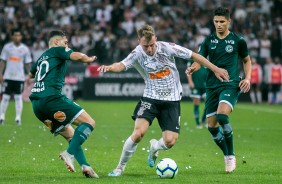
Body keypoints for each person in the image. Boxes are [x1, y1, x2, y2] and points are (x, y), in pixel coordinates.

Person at [97, 24, 229, 177]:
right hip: (150, 97)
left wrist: (215, 68)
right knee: (139, 133)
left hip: (171, 100)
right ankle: (119, 167)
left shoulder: (167, 48)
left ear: (156, 39)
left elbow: (195, 55)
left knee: (170, 141)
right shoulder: (137, 52)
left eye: (152, 44)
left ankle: (154, 148)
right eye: (146, 46)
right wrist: (109, 68)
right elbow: (121, 65)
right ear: (139, 41)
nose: (150, 49)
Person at [187, 7, 252, 173]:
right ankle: (226, 154)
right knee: (212, 127)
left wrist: (247, 78)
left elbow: (246, 60)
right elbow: (199, 59)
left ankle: (231, 156)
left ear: (229, 21)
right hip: (212, 86)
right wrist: (193, 68)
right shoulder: (208, 40)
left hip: (230, 84)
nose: (219, 24)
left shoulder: (238, 40)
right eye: (216, 21)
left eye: (222, 21)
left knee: (222, 116)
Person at [27, 30, 99, 178]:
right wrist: (88, 59)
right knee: (89, 122)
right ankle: (68, 153)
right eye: (65, 43)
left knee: (71, 136)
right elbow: (77, 56)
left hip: (37, 105)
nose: (67, 46)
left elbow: (30, 74)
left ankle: (86, 166)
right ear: (56, 42)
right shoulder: (58, 50)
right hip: (52, 98)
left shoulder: (41, 57)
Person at [0, 28, 32, 125]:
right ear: (12, 36)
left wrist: (30, 76)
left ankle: (18, 118)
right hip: (8, 76)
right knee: (5, 97)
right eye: (15, 35)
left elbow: (27, 64)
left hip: (19, 77)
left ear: (21, 37)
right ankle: (1, 117)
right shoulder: (7, 47)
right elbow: (3, 61)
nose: (17, 37)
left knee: (18, 97)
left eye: (19, 35)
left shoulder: (25, 49)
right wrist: (0, 74)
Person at [187, 61, 207, 129]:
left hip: (205, 85)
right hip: (196, 85)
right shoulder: (193, 61)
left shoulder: (206, 61)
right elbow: (188, 71)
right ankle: (198, 123)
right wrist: (190, 82)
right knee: (196, 103)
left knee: (208, 103)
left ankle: (204, 120)